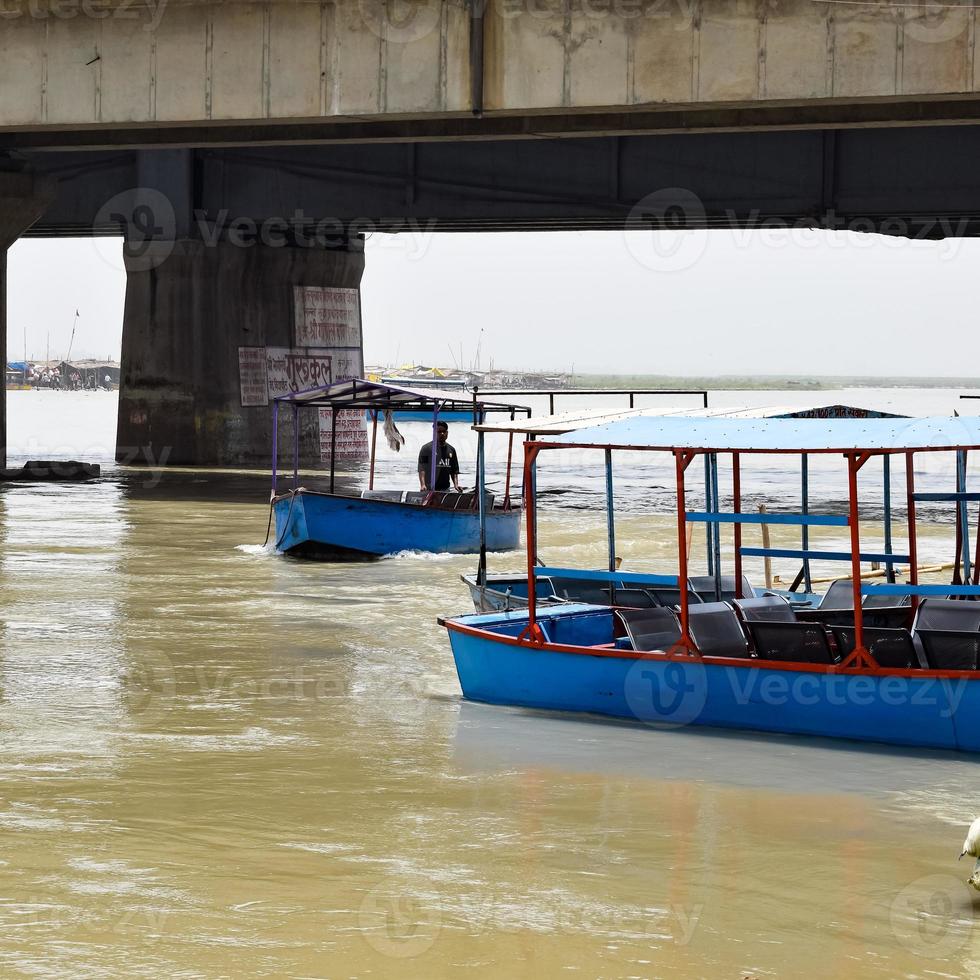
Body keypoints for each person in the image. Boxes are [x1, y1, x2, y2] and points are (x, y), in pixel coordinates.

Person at [418, 421, 461, 492]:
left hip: (445, 489)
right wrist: (422, 485)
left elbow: (454, 471)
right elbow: (422, 469)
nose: (442, 434)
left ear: (447, 433)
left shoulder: (451, 450)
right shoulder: (426, 449)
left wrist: (456, 485)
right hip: (429, 489)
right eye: (439, 432)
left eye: (444, 431)